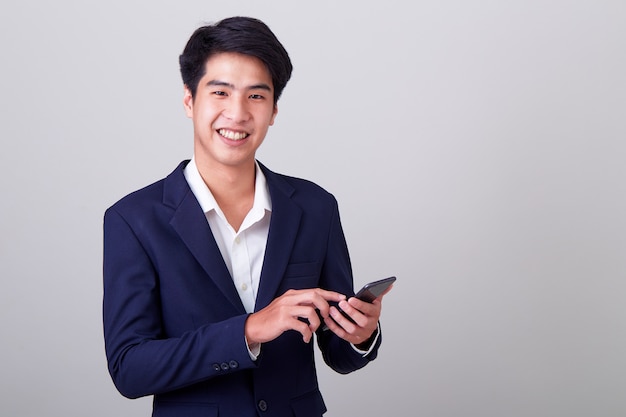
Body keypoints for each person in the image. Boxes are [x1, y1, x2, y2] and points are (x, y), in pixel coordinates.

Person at [103, 16, 390, 417]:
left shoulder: (316, 207)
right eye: (220, 92)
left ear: (273, 110)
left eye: (256, 96)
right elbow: (129, 368)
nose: (237, 114)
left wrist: (361, 333)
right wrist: (250, 329)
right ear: (189, 100)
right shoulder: (134, 220)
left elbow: (340, 354)